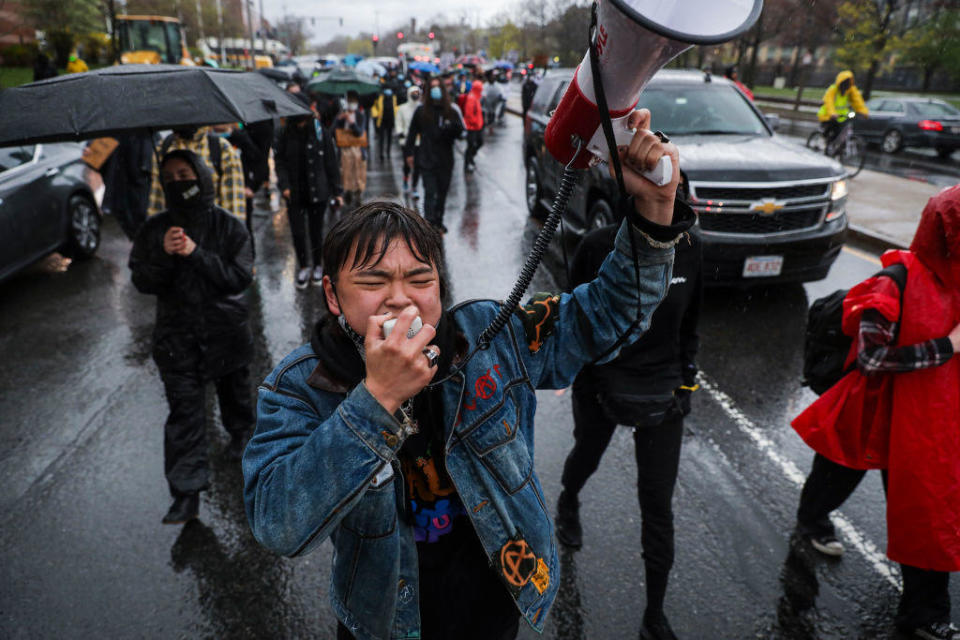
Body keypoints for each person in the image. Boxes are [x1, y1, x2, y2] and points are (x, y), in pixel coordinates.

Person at [243, 108, 695, 640]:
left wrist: (654, 209)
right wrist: (377, 398)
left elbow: (606, 316)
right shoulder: (300, 386)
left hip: (496, 606)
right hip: (385, 620)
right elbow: (277, 523)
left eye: (419, 278)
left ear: (440, 284)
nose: (399, 298)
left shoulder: (490, 335)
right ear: (332, 296)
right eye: (372, 281)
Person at [791, 185, 960, 640]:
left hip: (928, 422)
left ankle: (923, 613)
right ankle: (811, 521)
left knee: (925, 511)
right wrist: (946, 347)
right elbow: (870, 359)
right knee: (839, 471)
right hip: (876, 409)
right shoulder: (896, 282)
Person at [554, 224, 701, 640]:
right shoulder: (597, 246)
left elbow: (691, 322)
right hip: (602, 386)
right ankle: (569, 499)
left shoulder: (692, 248)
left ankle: (654, 615)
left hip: (663, 392)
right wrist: (585, 384)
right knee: (587, 454)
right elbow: (573, 319)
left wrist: (686, 383)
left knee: (658, 504)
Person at [129, 150, 255, 525]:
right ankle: (186, 493)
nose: (176, 182)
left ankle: (241, 436)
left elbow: (239, 277)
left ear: (201, 176)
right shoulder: (155, 229)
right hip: (177, 340)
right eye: (168, 177)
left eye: (184, 173)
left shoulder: (230, 226)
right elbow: (141, 279)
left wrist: (197, 254)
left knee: (235, 395)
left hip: (225, 333)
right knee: (185, 416)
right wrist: (165, 255)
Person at [276, 94, 344, 290]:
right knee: (297, 232)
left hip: (318, 191)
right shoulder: (284, 133)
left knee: (316, 231)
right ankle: (304, 266)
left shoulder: (319, 131)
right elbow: (279, 161)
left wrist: (336, 190)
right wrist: (284, 185)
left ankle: (317, 265)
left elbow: (331, 162)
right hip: (294, 192)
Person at [403, 77, 464, 233]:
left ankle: (439, 220)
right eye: (433, 87)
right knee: (430, 192)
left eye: (438, 87)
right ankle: (429, 224)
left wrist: (450, 128)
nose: (436, 90)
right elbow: (412, 133)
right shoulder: (421, 111)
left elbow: (461, 132)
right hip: (427, 158)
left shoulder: (451, 111)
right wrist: (409, 153)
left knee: (442, 192)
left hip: (445, 159)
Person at [146, 126, 247, 221]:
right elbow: (157, 200)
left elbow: (234, 208)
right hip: (174, 232)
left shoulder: (222, 149)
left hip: (212, 233)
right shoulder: (163, 148)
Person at [97, 133, 154, 240]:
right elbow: (97, 160)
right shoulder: (115, 130)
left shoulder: (147, 135)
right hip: (123, 186)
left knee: (140, 220)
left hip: (138, 186)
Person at [817, 70, 869, 146]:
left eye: (848, 82)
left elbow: (858, 101)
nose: (846, 85)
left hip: (842, 116)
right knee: (831, 129)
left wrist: (863, 112)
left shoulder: (851, 90)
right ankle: (824, 141)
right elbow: (829, 102)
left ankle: (836, 147)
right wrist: (832, 113)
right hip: (828, 115)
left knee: (841, 131)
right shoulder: (833, 89)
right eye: (845, 82)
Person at [335, 90, 369, 207]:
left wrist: (352, 123)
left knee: (359, 173)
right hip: (344, 150)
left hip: (358, 149)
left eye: (353, 101)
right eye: (350, 101)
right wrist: (339, 120)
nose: (351, 104)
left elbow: (360, 133)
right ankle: (347, 191)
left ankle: (358, 194)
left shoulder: (360, 116)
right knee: (345, 172)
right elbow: (332, 133)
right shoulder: (341, 115)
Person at [395, 85, 422, 198]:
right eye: (413, 92)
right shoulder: (402, 108)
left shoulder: (421, 108)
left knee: (418, 164)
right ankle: (406, 180)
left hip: (419, 142)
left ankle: (414, 186)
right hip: (406, 141)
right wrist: (400, 132)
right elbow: (398, 123)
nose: (415, 95)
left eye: (417, 92)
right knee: (407, 163)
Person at [462, 79, 484, 174]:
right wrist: (475, 123)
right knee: (470, 145)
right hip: (471, 127)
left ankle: (470, 158)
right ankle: (467, 163)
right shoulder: (472, 98)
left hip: (477, 126)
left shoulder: (476, 97)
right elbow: (469, 114)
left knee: (479, 142)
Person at [372, 86, 399, 162]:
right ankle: (381, 153)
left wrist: (396, 114)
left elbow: (396, 107)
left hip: (390, 120)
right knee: (382, 138)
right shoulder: (379, 98)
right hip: (382, 121)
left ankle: (388, 152)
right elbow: (375, 107)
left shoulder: (394, 98)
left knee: (389, 137)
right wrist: (375, 114)